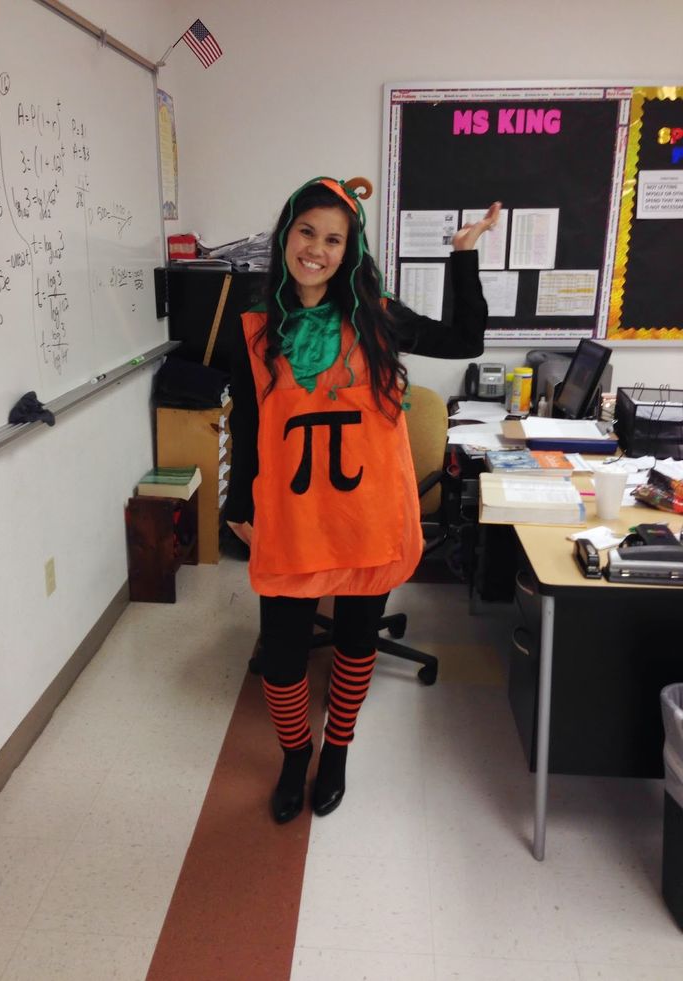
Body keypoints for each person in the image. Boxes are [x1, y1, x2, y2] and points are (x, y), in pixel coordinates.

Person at [224, 175, 501, 824]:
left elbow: (467, 340)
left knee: (354, 642)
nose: (316, 249)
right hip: (292, 515)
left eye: (333, 238)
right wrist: (239, 502)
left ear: (349, 249)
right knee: (284, 658)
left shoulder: (374, 316)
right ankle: (296, 755)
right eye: (306, 232)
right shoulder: (256, 326)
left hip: (366, 513)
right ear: (285, 236)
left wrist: (464, 254)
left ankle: (338, 751)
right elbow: (245, 423)